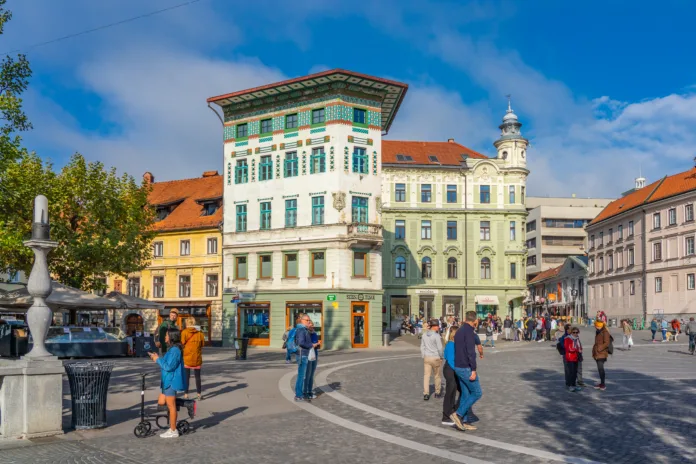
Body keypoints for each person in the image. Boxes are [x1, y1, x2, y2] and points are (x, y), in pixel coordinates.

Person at [148, 328, 185, 438]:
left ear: (172, 337)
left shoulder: (175, 351)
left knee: (171, 406)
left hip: (171, 381)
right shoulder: (172, 349)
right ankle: (183, 404)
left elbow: (168, 367)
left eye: (167, 335)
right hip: (166, 380)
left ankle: (173, 430)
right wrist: (157, 357)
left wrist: (157, 360)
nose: (165, 337)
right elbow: (166, 363)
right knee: (161, 401)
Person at [451, 311, 482, 432]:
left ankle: (463, 421)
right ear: (475, 320)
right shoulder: (469, 332)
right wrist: (473, 370)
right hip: (466, 367)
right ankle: (458, 414)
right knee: (477, 392)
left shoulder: (460, 330)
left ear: (465, 318)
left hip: (458, 366)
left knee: (466, 393)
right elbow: (471, 352)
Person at [294, 313, 319, 402]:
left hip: (305, 354)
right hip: (302, 355)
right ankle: (298, 395)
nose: (309, 322)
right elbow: (301, 342)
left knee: (304, 375)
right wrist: (312, 345)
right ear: (302, 320)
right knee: (301, 376)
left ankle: (301, 394)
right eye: (307, 320)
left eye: (309, 320)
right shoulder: (301, 329)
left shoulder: (304, 329)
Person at [442, 326, 462, 428]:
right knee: (450, 392)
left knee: (457, 391)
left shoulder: (454, 344)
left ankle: (454, 411)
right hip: (450, 369)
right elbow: (450, 359)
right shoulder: (450, 344)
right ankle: (446, 416)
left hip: (452, 369)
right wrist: (459, 371)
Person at [181, 317, 205, 400]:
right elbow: (202, 345)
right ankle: (199, 394)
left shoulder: (184, 332)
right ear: (194, 323)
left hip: (187, 358)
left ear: (187, 323)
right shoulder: (200, 333)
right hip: (197, 358)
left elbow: (182, 343)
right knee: (197, 377)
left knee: (186, 377)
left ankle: (186, 394)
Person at [421, 318, 444, 400]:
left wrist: (423, 355)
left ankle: (426, 394)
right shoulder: (437, 336)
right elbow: (440, 348)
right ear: (434, 326)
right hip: (435, 357)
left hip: (427, 357)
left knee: (426, 376)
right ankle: (437, 392)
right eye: (437, 326)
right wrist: (441, 357)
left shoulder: (424, 335)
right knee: (437, 375)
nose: (438, 327)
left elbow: (422, 346)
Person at [303, 318, 320, 400]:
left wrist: (318, 344)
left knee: (311, 374)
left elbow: (315, 344)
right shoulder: (306, 333)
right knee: (307, 374)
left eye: (313, 325)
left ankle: (309, 391)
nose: (312, 326)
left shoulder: (314, 333)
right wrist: (315, 344)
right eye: (310, 324)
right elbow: (307, 344)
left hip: (314, 354)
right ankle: (305, 392)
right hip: (308, 354)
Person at [592, 320, 611, 391]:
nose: (595, 327)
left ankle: (603, 384)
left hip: (602, 353)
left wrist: (599, 348)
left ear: (600, 326)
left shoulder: (605, 332)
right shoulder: (598, 331)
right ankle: (601, 383)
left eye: (596, 326)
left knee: (601, 369)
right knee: (599, 369)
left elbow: (607, 343)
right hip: (597, 353)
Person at [563, 327, 582, 392]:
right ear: (571, 332)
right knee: (571, 372)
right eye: (574, 332)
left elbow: (579, 346)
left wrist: (580, 349)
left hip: (575, 357)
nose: (575, 334)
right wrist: (577, 349)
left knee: (575, 372)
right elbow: (568, 348)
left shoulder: (577, 339)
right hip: (570, 357)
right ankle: (570, 385)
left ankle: (574, 385)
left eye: (577, 332)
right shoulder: (568, 338)